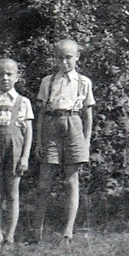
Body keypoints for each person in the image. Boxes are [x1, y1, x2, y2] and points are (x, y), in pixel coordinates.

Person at [34, 38, 94, 242]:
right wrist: (39, 141)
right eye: (60, 58)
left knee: (71, 180)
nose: (64, 62)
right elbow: (41, 113)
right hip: (51, 125)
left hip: (73, 124)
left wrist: (85, 142)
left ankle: (68, 231)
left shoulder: (83, 82)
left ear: (77, 57)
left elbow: (88, 115)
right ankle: (37, 229)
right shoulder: (48, 81)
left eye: (68, 57)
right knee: (45, 181)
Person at [0, 56, 33, 245]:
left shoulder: (23, 102)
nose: (5, 78)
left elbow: (29, 133)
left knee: (13, 193)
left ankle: (10, 234)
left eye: (9, 74)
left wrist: (25, 156)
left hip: (15, 151)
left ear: (17, 77)